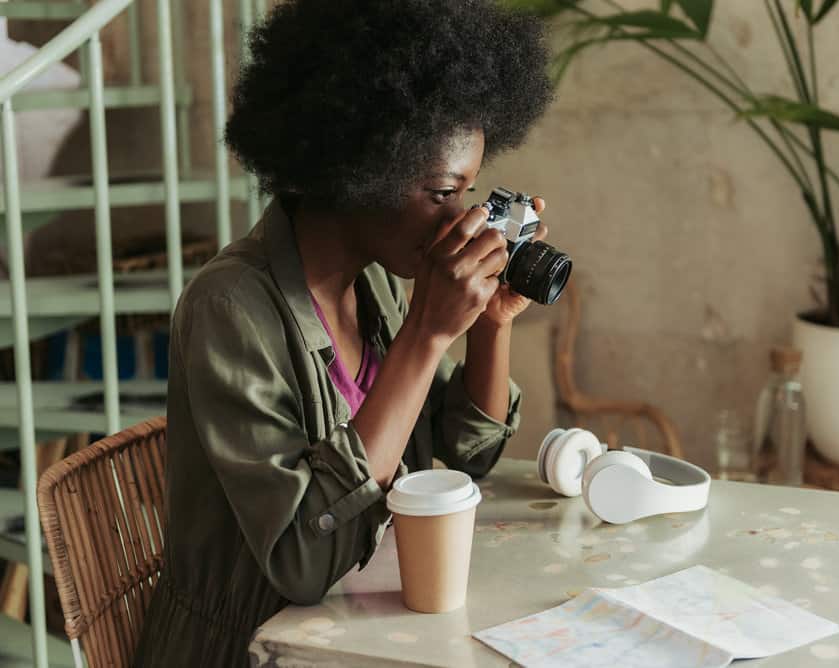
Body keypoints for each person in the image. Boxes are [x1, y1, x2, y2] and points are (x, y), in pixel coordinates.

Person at [134, 1, 554, 665]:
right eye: (443, 193)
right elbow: (303, 563)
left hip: (367, 624)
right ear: (359, 169)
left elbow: (470, 453)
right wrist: (424, 335)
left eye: (468, 193)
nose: (460, 221)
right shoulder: (230, 308)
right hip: (250, 648)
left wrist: (488, 326)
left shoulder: (376, 282)